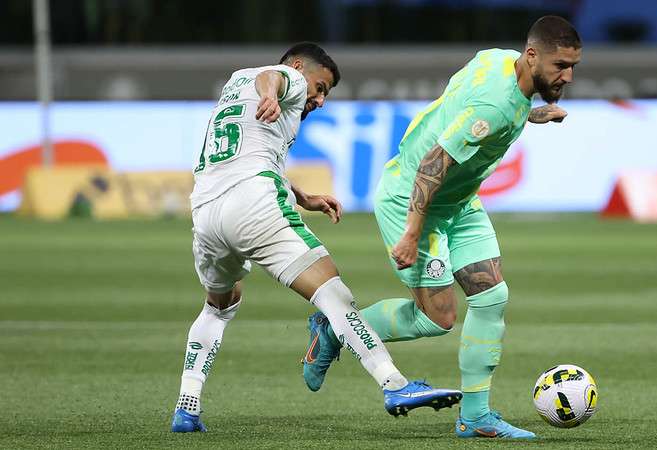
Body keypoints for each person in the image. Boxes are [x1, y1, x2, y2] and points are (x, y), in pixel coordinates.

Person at [301, 17, 581, 439]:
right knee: (439, 318)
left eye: (574, 65)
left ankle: (476, 416)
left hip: (458, 201)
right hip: (413, 200)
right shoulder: (496, 104)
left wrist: (531, 114)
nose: (568, 76)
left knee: (491, 297)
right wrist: (412, 233)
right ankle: (335, 329)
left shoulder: (498, 60)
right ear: (532, 55)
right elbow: (435, 162)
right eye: (561, 65)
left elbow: (462, 107)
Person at [171, 42, 461, 433]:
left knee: (220, 306)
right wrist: (273, 92)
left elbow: (248, 149)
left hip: (206, 212)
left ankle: (187, 406)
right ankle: (395, 385)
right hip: (254, 203)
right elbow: (272, 78)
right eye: (320, 88)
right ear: (297, 66)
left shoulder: (234, 82)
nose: (320, 100)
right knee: (333, 293)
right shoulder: (286, 76)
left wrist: (302, 195)